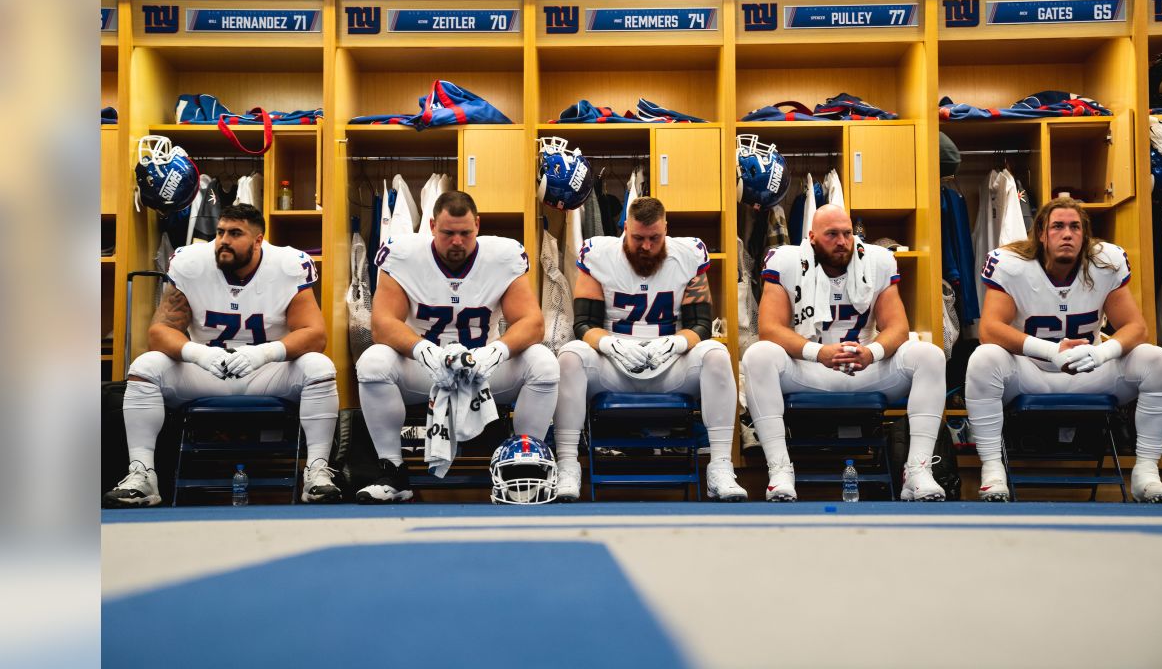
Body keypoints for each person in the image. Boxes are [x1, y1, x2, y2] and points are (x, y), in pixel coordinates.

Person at [103, 203, 340, 507]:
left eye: (235, 233)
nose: (223, 241)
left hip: (265, 372)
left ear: (258, 240)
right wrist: (197, 354)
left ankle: (317, 473)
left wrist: (265, 353)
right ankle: (142, 475)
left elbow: (314, 333)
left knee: (319, 366)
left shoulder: (287, 264)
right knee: (145, 365)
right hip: (208, 370)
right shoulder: (191, 262)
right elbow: (159, 332)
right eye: (220, 232)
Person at [965, 196, 1162, 502]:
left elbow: (1136, 327)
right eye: (1058, 227)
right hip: (1034, 372)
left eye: (1075, 227)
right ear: (1041, 233)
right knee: (983, 358)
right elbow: (990, 329)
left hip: (1090, 371)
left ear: (1085, 234)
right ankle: (992, 471)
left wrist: (1101, 353)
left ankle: (1146, 473)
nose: (1067, 234)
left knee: (1160, 361)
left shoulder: (1106, 262)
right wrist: (1050, 351)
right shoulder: (1012, 264)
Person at [355, 191, 558, 503]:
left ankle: (522, 466)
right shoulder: (404, 253)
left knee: (543, 362)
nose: (457, 242)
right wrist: (426, 351)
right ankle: (392, 471)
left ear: (478, 224)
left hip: (483, 369)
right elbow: (382, 324)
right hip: (426, 368)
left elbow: (533, 323)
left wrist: (495, 352)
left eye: (466, 233)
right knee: (372, 362)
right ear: (433, 225)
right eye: (448, 233)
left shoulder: (503, 255)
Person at [741, 204, 947, 501]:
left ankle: (918, 471)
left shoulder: (877, 260)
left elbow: (898, 327)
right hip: (810, 368)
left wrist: (873, 352)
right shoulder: (786, 260)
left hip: (865, 368)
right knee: (758, 355)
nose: (842, 241)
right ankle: (780, 471)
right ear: (812, 237)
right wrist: (818, 352)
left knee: (929, 355)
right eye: (832, 234)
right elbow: (770, 329)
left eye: (847, 233)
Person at [553, 197, 746, 501]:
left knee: (716, 354)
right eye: (638, 238)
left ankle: (720, 466)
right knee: (569, 356)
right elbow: (585, 324)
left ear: (666, 229)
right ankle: (567, 465)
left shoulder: (688, 254)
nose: (645, 246)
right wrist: (609, 343)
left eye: (654, 238)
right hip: (614, 365)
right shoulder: (599, 254)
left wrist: (676, 342)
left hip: (670, 365)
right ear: (625, 227)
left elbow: (701, 324)